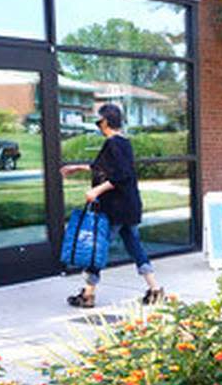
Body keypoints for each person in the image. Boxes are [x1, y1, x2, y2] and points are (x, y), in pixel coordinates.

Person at [60, 103, 163, 308]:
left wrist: (96, 191)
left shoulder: (113, 143)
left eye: (98, 120)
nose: (97, 124)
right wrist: (77, 167)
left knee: (96, 248)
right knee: (135, 247)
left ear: (105, 122)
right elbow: (105, 167)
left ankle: (88, 295)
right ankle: (155, 290)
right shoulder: (122, 142)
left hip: (116, 208)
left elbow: (121, 175)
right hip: (129, 207)